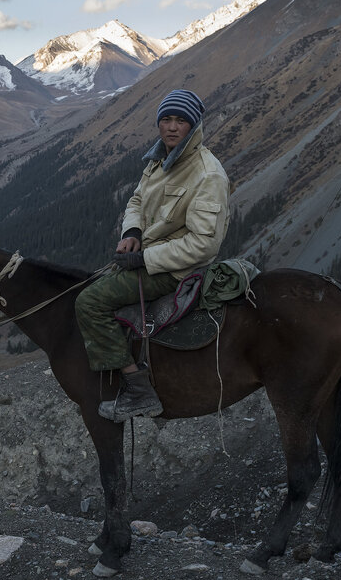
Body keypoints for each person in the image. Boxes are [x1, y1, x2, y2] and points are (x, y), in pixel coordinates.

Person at [74, 88, 230, 422]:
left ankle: (139, 390)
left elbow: (204, 245)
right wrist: (131, 232)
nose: (172, 127)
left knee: (89, 302)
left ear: (194, 125)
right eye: (166, 119)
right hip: (149, 256)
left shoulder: (207, 174)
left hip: (175, 270)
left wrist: (146, 259)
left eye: (181, 121)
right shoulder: (161, 159)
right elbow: (136, 201)